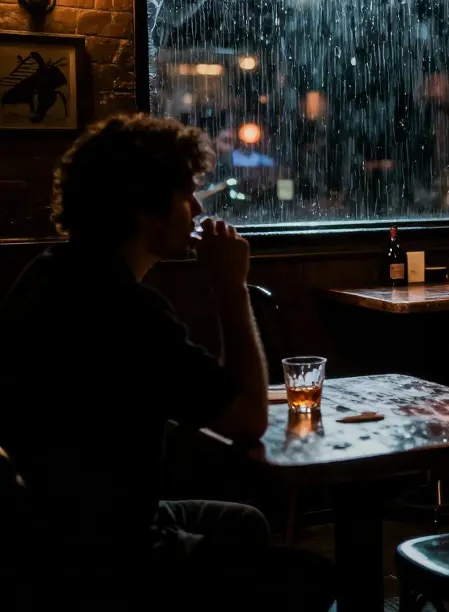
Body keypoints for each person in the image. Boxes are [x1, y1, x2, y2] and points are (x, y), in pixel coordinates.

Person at [0, 114, 333, 611]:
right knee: (319, 582)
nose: (197, 208)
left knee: (245, 523)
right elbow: (248, 420)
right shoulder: (122, 311)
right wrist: (230, 288)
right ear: (145, 211)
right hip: (108, 554)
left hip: (46, 523)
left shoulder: (47, 274)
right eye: (185, 196)